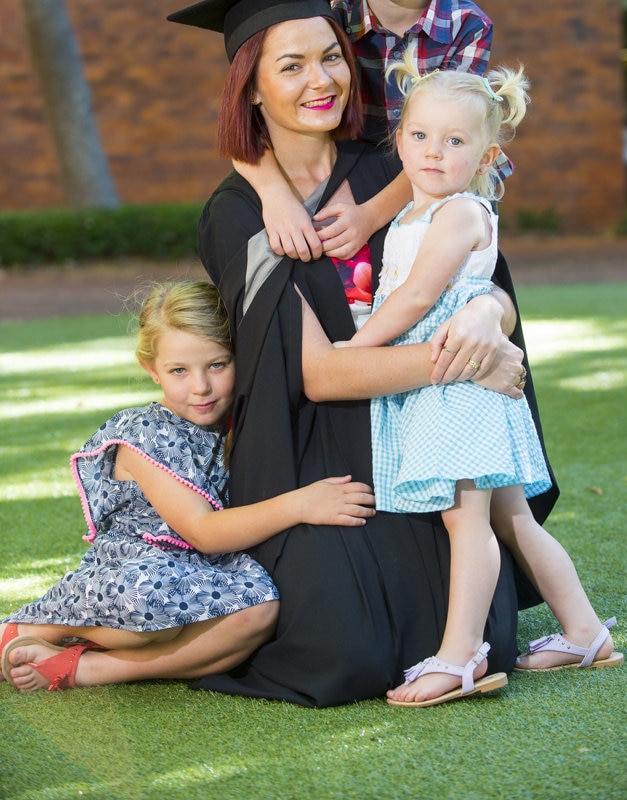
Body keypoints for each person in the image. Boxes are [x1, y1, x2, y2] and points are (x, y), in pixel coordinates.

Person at [165, 0, 558, 707]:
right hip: (316, 450)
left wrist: (486, 319)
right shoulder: (238, 214)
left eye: (331, 57)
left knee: (487, 633)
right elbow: (319, 375)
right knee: (345, 653)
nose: (322, 79)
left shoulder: (399, 163)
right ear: (251, 85)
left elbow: (482, 277)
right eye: (291, 65)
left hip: (417, 432)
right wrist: (467, 362)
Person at [339, 49, 623, 706]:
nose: (433, 152)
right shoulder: (414, 209)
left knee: (466, 522)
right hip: (446, 384)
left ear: (487, 156)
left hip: (458, 384)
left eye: (455, 141)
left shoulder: (460, 213)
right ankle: (583, 630)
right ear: (399, 138)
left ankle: (461, 656)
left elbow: (413, 302)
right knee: (512, 519)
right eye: (418, 136)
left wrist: (355, 349)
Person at [1, 280, 375, 693]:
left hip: (198, 574)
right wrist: (301, 504)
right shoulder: (144, 431)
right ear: (151, 369)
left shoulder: (237, 425)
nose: (201, 386)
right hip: (136, 571)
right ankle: (37, 628)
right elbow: (203, 531)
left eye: (217, 365)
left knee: (259, 610)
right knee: (149, 597)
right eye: (179, 370)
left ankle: (93, 668)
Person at [229, 0, 510, 265]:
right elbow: (245, 119)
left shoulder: (466, 27)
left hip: (444, 186)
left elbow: (449, 145)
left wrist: (370, 216)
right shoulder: (331, 20)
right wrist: (274, 194)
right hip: (354, 178)